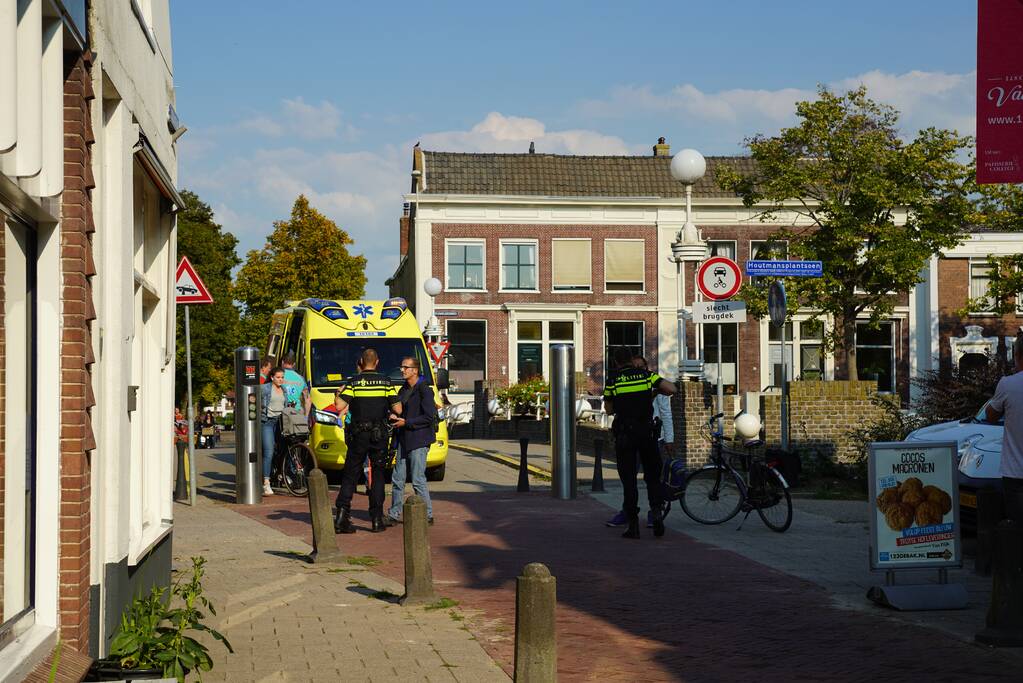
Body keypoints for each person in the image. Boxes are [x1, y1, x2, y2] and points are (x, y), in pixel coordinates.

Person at [603, 346, 676, 539]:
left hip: (626, 435)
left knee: (629, 480)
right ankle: (657, 513)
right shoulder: (646, 377)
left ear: (616, 363)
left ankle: (633, 525)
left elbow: (609, 410)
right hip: (647, 434)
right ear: (630, 359)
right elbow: (671, 388)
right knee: (652, 477)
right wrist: (650, 394)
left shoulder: (613, 381)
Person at [333, 348, 402, 534]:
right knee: (378, 475)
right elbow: (398, 408)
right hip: (379, 435)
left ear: (361, 363)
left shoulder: (354, 382)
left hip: (358, 435)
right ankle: (377, 520)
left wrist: (337, 393)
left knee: (350, 474)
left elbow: (339, 405)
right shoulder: (386, 382)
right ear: (377, 362)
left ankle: (341, 516)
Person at [387, 357, 438, 526]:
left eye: (405, 367)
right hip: (403, 438)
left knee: (417, 478)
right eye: (402, 367)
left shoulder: (424, 390)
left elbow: (429, 417)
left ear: (414, 370)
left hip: (419, 439)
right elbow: (401, 411)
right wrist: (393, 416)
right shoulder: (403, 390)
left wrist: (406, 422)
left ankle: (427, 514)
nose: (402, 370)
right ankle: (394, 513)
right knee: (398, 478)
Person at [987, 331, 1023, 522]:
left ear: (1017, 356)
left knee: (1017, 530)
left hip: (1016, 473)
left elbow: (990, 416)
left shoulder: (1007, 384)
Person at [260, 367, 288, 496]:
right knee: (269, 452)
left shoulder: (284, 389)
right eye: (278, 377)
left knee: (283, 449)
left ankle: (281, 475)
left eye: (282, 377)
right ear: (272, 377)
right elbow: (252, 399)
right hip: (267, 423)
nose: (281, 379)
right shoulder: (265, 388)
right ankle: (266, 482)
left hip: (280, 423)